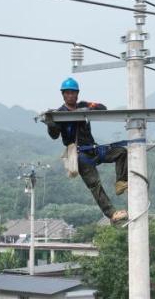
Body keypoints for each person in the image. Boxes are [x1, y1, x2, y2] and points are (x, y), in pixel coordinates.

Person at [43, 77, 129, 223]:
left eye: (73, 93)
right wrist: (51, 122)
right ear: (63, 95)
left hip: (93, 149)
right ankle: (112, 214)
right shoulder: (60, 113)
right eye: (67, 93)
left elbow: (102, 108)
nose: (70, 96)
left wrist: (88, 108)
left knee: (121, 152)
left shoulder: (83, 105)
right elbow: (54, 135)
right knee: (95, 185)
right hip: (80, 155)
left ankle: (121, 181)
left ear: (77, 94)